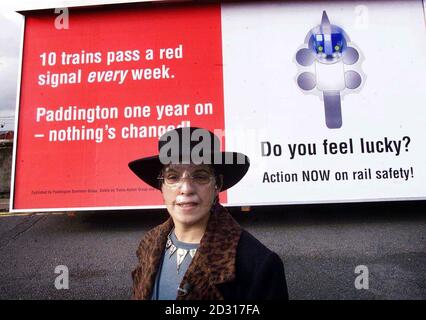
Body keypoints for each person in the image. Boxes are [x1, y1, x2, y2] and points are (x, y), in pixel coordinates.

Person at [129, 127, 288, 300]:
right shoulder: (149, 244)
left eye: (200, 176)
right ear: (161, 185)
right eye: (173, 177)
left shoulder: (257, 265)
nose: (186, 189)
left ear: (217, 184)